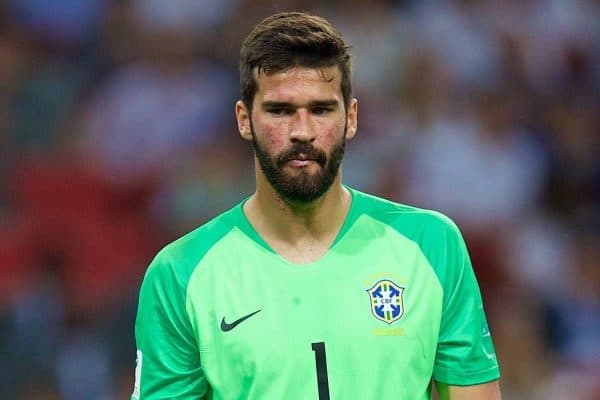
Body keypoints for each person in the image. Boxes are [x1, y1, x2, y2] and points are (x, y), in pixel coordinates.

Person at [132, 11, 501, 400]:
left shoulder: (432, 246)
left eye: (321, 109)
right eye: (279, 110)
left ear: (351, 118)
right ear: (244, 120)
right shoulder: (181, 273)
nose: (303, 132)